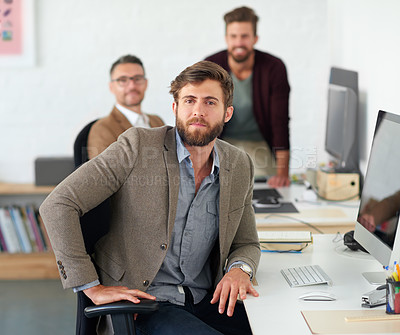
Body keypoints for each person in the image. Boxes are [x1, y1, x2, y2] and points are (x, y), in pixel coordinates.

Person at [40, 60, 260, 335]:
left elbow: (247, 242)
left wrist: (241, 270)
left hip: (208, 298)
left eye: (210, 102)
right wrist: (90, 287)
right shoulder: (138, 146)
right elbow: (58, 204)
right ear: (175, 108)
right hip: (145, 303)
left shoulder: (239, 164)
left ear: (227, 113)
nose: (198, 111)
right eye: (189, 100)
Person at [205, 6, 291, 187]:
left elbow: (280, 122)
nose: (239, 43)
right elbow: (203, 116)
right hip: (220, 143)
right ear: (226, 38)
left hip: (259, 145)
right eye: (233, 36)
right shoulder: (211, 65)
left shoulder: (274, 68)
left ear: (255, 39)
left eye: (244, 36)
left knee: (263, 190)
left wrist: (283, 173)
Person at [87, 54, 164, 159]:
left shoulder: (157, 122)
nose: (132, 85)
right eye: (123, 80)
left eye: (138, 78)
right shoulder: (102, 128)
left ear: (146, 84)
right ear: (111, 87)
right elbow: (105, 174)